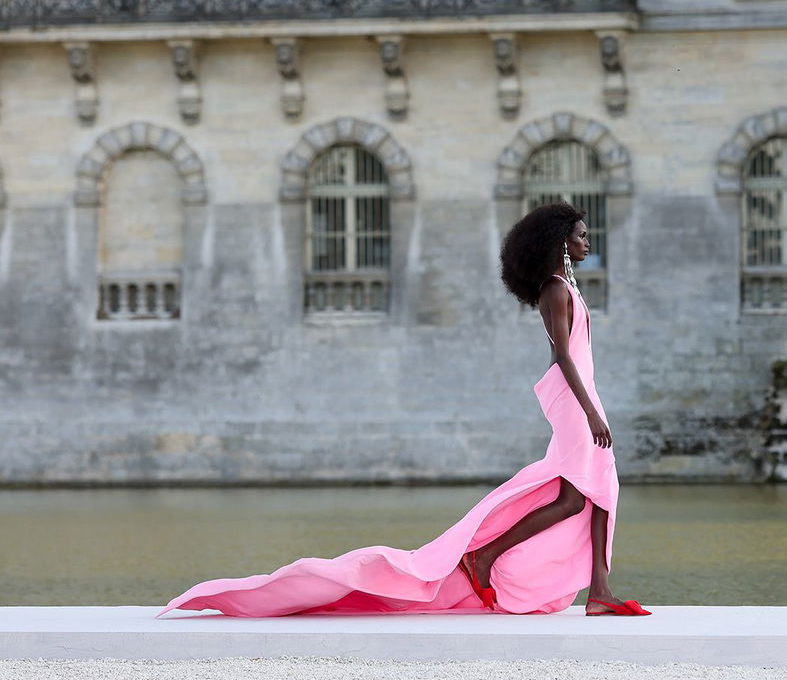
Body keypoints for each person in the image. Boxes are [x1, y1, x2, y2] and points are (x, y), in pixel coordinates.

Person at [155, 202, 649, 618]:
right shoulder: (555, 290)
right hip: (574, 398)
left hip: (583, 395)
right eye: (582, 236)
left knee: (593, 488)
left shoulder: (567, 286)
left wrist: (592, 404)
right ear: (562, 241)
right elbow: (563, 356)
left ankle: (592, 589)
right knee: (580, 494)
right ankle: (502, 561)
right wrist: (589, 412)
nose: (588, 242)